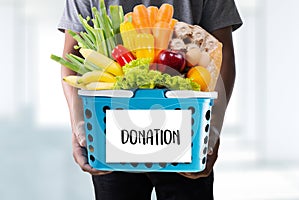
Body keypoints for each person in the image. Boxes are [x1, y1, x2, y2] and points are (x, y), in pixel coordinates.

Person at [58, 0, 242, 199]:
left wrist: (211, 131)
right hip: (111, 131)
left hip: (187, 130)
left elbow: (224, 55)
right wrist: (79, 127)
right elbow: (72, 58)